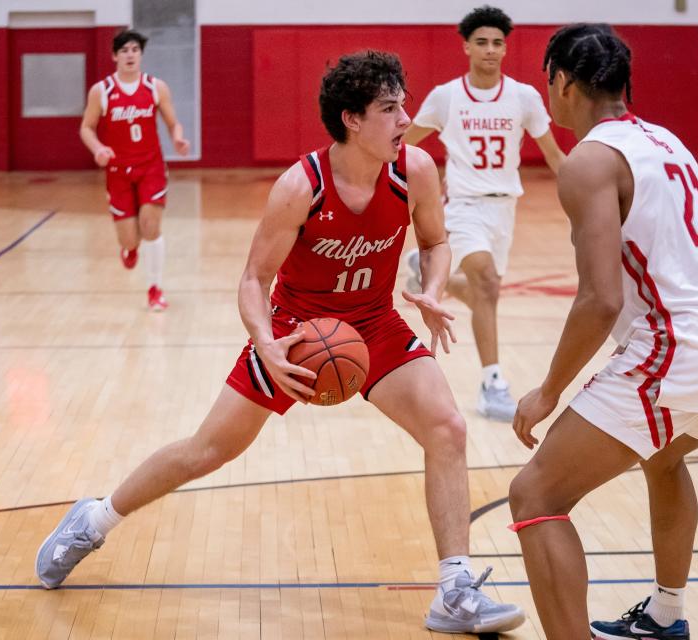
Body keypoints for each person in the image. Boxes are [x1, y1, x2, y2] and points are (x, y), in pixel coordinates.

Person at [38, 50, 525, 635]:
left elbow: (436, 241)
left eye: (404, 106)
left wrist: (434, 288)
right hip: (299, 332)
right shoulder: (301, 186)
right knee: (207, 451)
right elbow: (252, 280)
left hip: (374, 322)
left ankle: (453, 590)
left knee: (447, 428)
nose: (405, 120)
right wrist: (266, 344)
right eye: (390, 109)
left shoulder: (414, 170)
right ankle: (93, 520)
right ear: (351, 118)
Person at [505, 24, 698, 639]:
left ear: (563, 82)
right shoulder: (664, 141)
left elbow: (600, 299)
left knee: (534, 497)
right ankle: (666, 615)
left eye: (549, 81)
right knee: (665, 459)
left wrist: (548, 392)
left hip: (686, 350)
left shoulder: (588, 161)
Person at [403, 5, 563, 422]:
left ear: (505, 48)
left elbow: (553, 155)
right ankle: (493, 385)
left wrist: (591, 196)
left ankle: (425, 272)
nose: (490, 50)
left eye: (497, 43)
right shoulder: (447, 96)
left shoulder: (524, 97)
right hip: (463, 207)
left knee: (482, 294)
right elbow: (404, 145)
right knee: (488, 284)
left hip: (504, 208)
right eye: (482, 43)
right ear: (467, 47)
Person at [80, 29, 190, 311]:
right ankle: (129, 248)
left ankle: (155, 288)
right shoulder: (102, 91)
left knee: (150, 227)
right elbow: (86, 128)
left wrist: (177, 137)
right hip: (117, 172)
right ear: (115, 56)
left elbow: (172, 122)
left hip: (150, 166)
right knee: (130, 236)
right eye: (124, 50)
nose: (130, 55)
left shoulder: (155, 87)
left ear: (140, 55)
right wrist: (98, 149)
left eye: (135, 50)